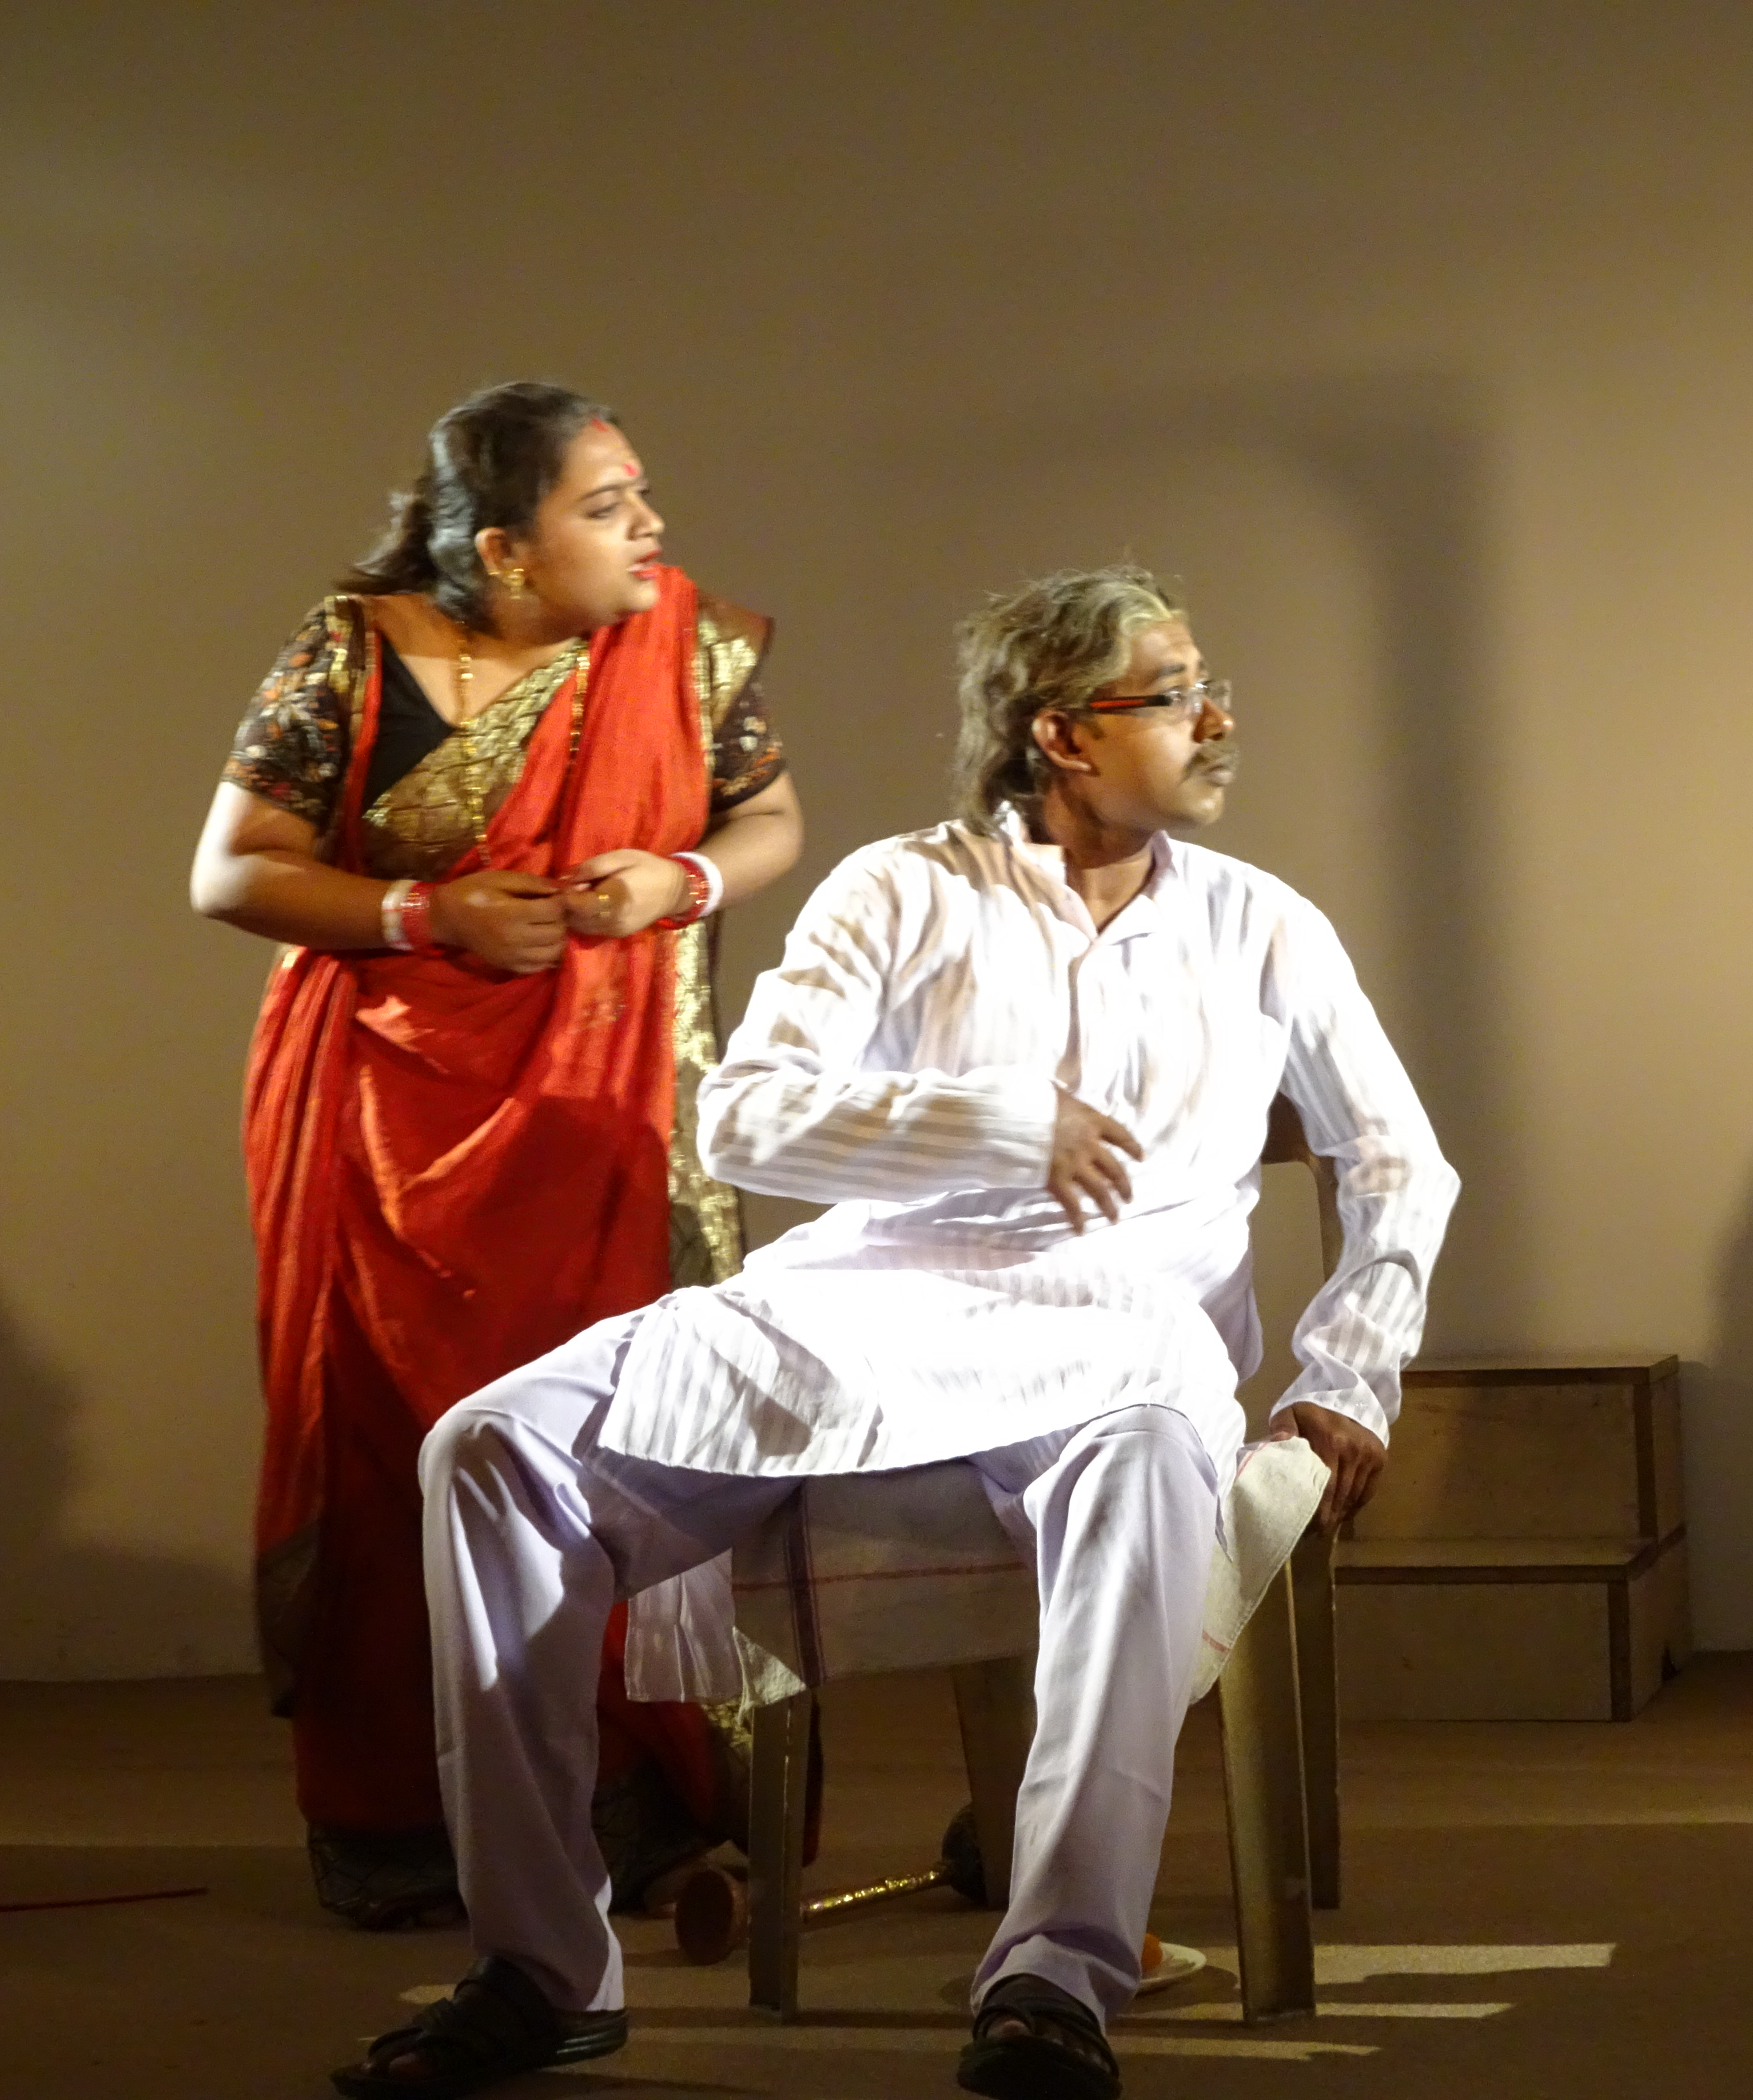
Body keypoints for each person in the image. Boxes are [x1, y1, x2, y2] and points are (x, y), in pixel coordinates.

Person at [329, 566, 1456, 2099]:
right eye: (1178, 693)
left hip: (1120, 1337)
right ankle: (540, 1970)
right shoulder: (900, 889)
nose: (1217, 721)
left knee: (1142, 1477)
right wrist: (997, 1123)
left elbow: (1395, 1158)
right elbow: (747, 1119)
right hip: (856, 1310)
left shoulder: (1264, 924)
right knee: (491, 1449)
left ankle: (1055, 1975)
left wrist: (1349, 1376)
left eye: (1211, 689)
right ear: (1063, 733)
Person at [191, 382, 806, 1925]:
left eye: (640, 494)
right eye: (606, 507)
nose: (649, 528)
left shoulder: (682, 646)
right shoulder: (354, 652)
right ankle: (399, 1827)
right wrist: (428, 912)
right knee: (390, 1464)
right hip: (377, 1130)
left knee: (618, 1445)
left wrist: (675, 882)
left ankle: (632, 1811)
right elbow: (232, 872)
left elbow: (769, 820)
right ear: (504, 551)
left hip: (601, 1118)